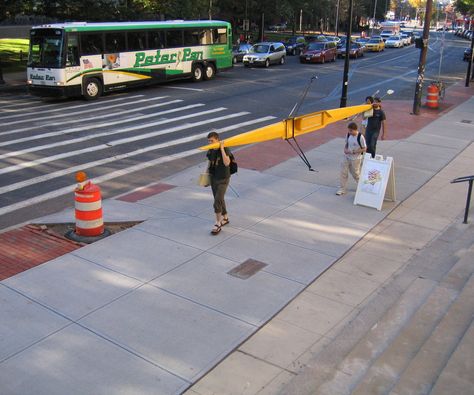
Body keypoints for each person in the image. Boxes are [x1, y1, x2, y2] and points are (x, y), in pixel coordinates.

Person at [206, 131, 232, 235]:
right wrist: (206, 178)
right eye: (209, 141)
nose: (210, 143)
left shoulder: (225, 148)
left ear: (217, 139)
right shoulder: (211, 149)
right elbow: (209, 163)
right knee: (219, 198)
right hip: (213, 178)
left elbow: (227, 162)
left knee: (217, 201)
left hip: (223, 178)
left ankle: (218, 223)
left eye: (211, 141)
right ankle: (225, 217)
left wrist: (221, 148)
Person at [336, 122, 367, 196]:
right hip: (346, 157)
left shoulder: (360, 137)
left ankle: (362, 186)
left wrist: (354, 152)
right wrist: (345, 149)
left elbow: (364, 148)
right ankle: (342, 188)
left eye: (351, 131)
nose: (349, 132)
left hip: (356, 158)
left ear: (355, 130)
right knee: (343, 172)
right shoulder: (348, 135)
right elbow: (346, 144)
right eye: (349, 130)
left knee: (355, 174)